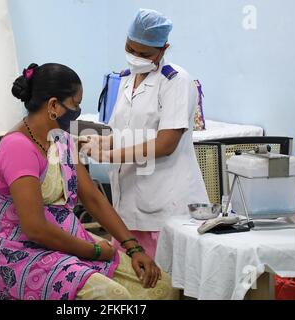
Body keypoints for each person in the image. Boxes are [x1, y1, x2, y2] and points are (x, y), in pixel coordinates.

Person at [0, 63, 179, 300]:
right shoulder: (17, 148)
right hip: (27, 254)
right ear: (53, 105)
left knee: (162, 287)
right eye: (75, 105)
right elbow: (34, 228)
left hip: (70, 243)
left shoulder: (61, 140)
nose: (77, 111)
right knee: (112, 296)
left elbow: (94, 199)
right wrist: (93, 250)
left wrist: (133, 247)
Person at [83, 9, 209, 259]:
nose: (136, 57)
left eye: (144, 54)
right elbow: (130, 132)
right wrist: (103, 140)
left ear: (163, 49)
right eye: (131, 49)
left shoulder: (175, 81)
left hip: (164, 202)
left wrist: (111, 155)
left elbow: (165, 143)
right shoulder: (128, 78)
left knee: (162, 283)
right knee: (133, 279)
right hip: (128, 202)